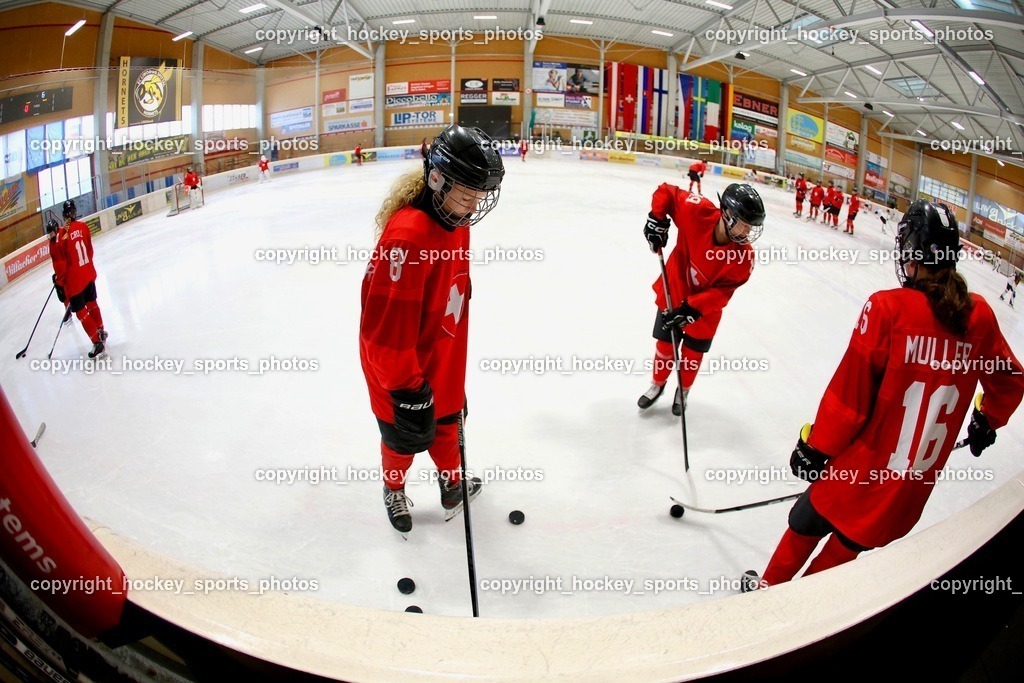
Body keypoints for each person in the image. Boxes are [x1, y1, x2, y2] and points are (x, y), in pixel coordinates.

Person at [746, 200, 1023, 591]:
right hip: (904, 495)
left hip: (858, 473)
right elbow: (1010, 379)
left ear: (912, 250)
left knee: (804, 521)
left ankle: (767, 592)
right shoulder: (979, 316)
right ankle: (791, 614)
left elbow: (849, 400)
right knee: (843, 552)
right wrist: (988, 418)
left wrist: (816, 448)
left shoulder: (888, 309)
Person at [360, 125, 505, 535]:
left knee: (448, 425)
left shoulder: (458, 220)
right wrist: (406, 391)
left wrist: (451, 371)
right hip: (400, 367)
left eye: (480, 192)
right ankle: (394, 488)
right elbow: (383, 335)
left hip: (444, 352)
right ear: (438, 179)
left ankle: (452, 484)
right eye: (467, 191)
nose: (475, 202)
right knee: (400, 438)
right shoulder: (408, 236)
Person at [639, 183, 766, 415]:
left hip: (704, 312)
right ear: (726, 214)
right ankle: (657, 385)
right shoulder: (697, 211)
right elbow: (666, 192)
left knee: (692, 355)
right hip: (673, 292)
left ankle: (683, 391)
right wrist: (656, 218)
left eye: (751, 227)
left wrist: (693, 308)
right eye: (744, 225)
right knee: (665, 345)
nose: (747, 233)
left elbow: (722, 293)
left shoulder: (744, 258)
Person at [49, 200, 107, 359]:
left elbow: (61, 263)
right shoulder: (83, 227)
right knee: (93, 305)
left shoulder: (62, 234)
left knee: (82, 313)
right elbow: (89, 251)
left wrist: (59, 281)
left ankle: (97, 342)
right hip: (88, 273)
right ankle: (101, 331)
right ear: (74, 212)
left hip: (74, 282)